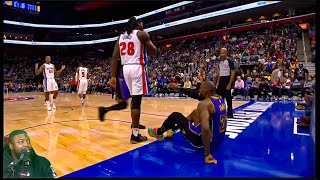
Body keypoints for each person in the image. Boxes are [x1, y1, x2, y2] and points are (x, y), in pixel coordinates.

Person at [148, 81, 227, 164]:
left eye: (200, 88)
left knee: (176, 115)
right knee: (196, 112)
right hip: (217, 144)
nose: (199, 90)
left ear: (206, 91)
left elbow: (206, 128)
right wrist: (178, 88)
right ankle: (173, 130)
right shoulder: (219, 99)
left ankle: (159, 133)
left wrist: (207, 154)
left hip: (203, 144)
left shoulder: (204, 104)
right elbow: (195, 95)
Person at [109, 16, 157, 143]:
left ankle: (135, 124)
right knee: (137, 101)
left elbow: (114, 57)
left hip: (125, 69)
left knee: (134, 99)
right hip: (137, 68)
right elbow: (154, 52)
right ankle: (135, 135)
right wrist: (147, 40)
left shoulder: (120, 37)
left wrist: (113, 76)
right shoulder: (142, 34)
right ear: (138, 24)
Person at [98, 59, 146, 129]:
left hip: (129, 76)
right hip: (121, 79)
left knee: (135, 99)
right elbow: (115, 59)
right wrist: (113, 77)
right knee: (123, 104)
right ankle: (104, 110)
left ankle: (135, 123)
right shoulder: (121, 53)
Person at [216, 48, 235, 118]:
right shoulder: (219, 61)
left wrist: (230, 83)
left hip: (227, 79)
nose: (222, 54)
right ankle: (221, 111)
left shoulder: (230, 61)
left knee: (228, 98)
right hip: (221, 80)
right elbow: (219, 72)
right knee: (220, 97)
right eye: (221, 53)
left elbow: (233, 72)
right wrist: (217, 83)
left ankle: (230, 113)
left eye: (223, 53)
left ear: (226, 53)